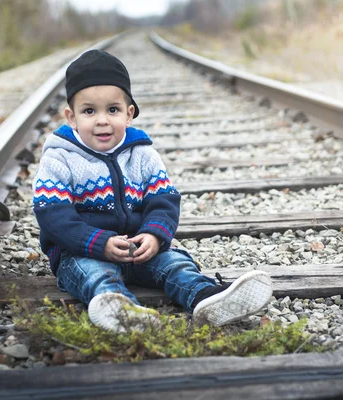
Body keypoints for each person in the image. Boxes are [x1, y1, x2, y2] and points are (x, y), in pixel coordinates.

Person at [32, 49, 273, 333]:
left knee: (176, 263)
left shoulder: (142, 153)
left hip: (138, 249)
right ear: (71, 117)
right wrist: (98, 243)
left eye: (113, 110)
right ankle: (120, 309)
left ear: (129, 113)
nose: (102, 120)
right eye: (89, 111)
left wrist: (155, 235)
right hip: (82, 252)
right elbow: (54, 216)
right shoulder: (59, 158)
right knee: (95, 275)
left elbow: (164, 200)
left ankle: (208, 299)